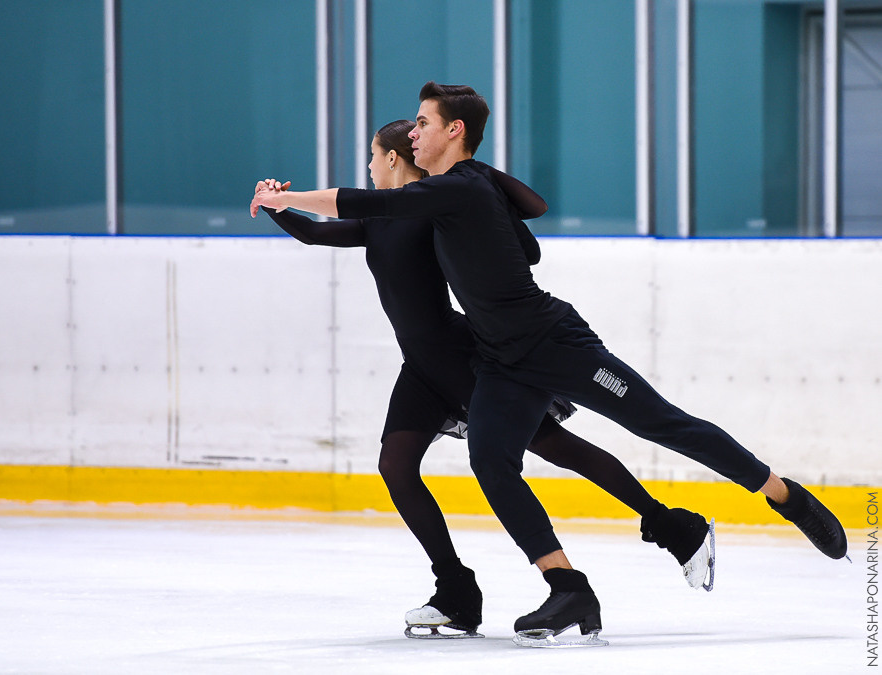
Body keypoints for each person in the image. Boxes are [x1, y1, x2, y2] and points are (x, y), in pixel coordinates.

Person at [250, 86, 847, 644]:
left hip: (555, 344)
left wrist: (284, 197)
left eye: (424, 123)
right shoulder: (461, 183)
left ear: (453, 131)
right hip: (500, 358)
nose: (412, 134)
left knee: (659, 423)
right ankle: (569, 589)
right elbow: (522, 218)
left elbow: (355, 201)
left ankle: (784, 494)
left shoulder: (457, 186)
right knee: (490, 458)